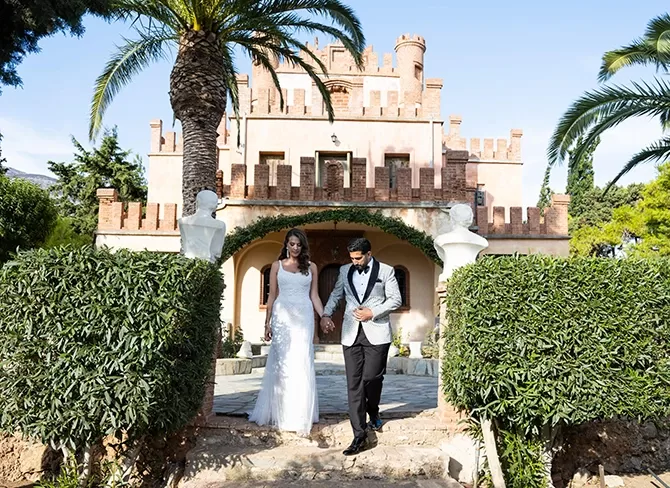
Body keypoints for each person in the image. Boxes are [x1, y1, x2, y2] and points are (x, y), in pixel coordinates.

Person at [320, 238, 402, 455]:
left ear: (368, 254)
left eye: (358, 258)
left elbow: (396, 300)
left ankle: (373, 411)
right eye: (352, 258)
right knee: (354, 384)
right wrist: (326, 314)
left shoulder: (386, 271)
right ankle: (359, 435)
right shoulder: (345, 270)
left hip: (377, 331)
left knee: (372, 378)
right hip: (350, 333)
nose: (355, 262)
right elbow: (337, 294)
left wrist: (372, 312)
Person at [248, 228, 325, 436]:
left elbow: (315, 296)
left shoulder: (312, 268)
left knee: (301, 362)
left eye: (299, 244)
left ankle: (300, 415)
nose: (295, 248)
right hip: (282, 317)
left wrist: (324, 315)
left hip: (304, 318)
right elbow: (272, 296)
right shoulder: (276, 266)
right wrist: (267, 323)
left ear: (303, 246)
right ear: (286, 244)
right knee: (283, 363)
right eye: (292, 244)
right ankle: (281, 412)